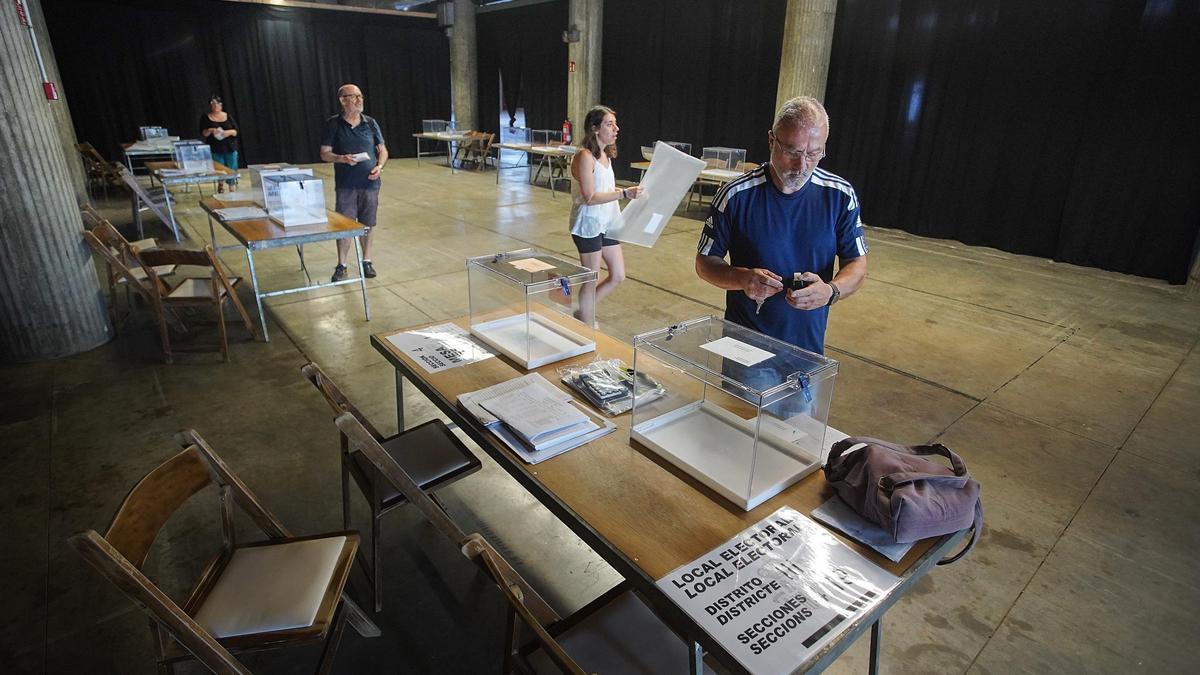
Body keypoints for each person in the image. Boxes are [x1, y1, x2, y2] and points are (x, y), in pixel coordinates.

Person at [695, 96, 868, 356]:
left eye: (813, 154)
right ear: (771, 141)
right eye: (793, 152)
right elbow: (705, 264)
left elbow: (856, 264)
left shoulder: (840, 196)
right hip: (746, 344)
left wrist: (832, 291)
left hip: (807, 349)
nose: (802, 166)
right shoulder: (735, 196)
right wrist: (743, 279)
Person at [569, 105, 643, 324]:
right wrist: (623, 193)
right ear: (594, 128)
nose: (616, 129)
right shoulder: (585, 156)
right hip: (588, 225)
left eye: (615, 124)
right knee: (591, 279)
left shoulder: (605, 156)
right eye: (609, 124)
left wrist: (631, 193)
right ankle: (587, 325)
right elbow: (590, 197)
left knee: (618, 275)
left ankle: (583, 313)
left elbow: (605, 190)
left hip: (608, 222)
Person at [319, 83, 388, 282]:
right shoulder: (333, 124)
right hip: (346, 185)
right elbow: (324, 153)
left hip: (370, 183)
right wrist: (342, 159)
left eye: (360, 96)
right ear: (342, 100)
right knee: (345, 225)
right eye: (354, 96)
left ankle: (367, 261)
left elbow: (382, 150)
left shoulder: (371, 123)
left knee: (368, 224)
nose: (359, 100)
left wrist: (380, 166)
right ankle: (342, 264)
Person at [199, 95, 239, 192]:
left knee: (232, 166)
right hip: (215, 147)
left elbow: (236, 131)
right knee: (219, 167)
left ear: (221, 104)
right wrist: (210, 130)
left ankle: (232, 186)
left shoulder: (227, 116)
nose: (216, 105)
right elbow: (203, 133)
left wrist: (227, 132)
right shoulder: (205, 117)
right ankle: (220, 185)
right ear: (210, 105)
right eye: (213, 103)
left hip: (230, 146)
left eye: (218, 103)